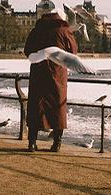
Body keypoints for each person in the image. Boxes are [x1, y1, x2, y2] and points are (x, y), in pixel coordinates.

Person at [24, 9, 78, 152]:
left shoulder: (37, 30)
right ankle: (56, 143)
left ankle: (32, 142)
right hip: (57, 74)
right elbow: (73, 51)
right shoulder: (64, 30)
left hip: (38, 73)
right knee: (58, 107)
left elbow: (27, 50)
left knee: (36, 106)